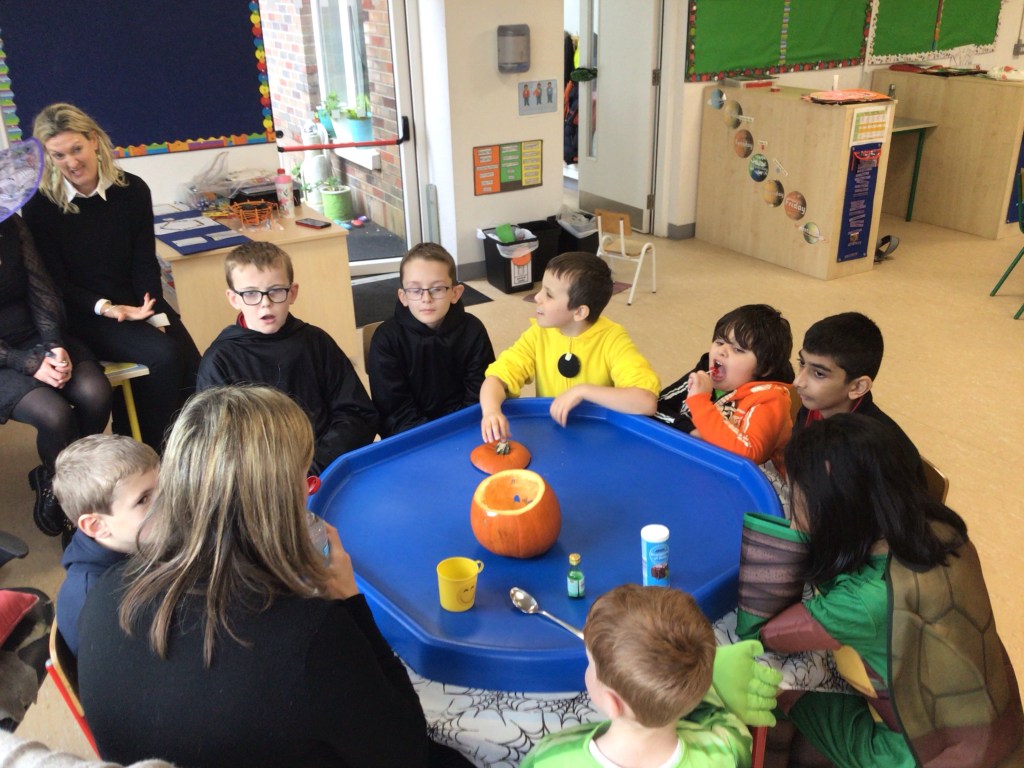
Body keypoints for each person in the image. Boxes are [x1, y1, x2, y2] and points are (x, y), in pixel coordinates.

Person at [77, 386, 471, 767]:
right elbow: (406, 752)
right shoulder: (312, 635)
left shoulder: (104, 593)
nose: (308, 487)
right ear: (278, 499)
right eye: (303, 475)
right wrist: (350, 603)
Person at [742, 415, 1023, 768]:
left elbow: (766, 634)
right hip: (997, 732)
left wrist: (787, 538)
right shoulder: (945, 532)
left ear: (833, 506)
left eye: (796, 490)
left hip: (919, 756)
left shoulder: (861, 601)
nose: (790, 493)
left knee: (774, 676)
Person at [22, 103, 201, 452]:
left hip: (135, 301)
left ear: (94, 140)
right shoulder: (40, 206)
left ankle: (182, 448)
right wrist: (107, 308)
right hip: (86, 312)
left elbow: (143, 261)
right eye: (58, 155)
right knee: (164, 357)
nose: (72, 162)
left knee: (196, 369)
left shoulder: (132, 190)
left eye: (76, 149)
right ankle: (152, 452)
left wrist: (151, 313)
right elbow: (55, 284)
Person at [521, 585, 757, 768]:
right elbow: (731, 726)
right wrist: (705, 678)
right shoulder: (725, 751)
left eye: (590, 664)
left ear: (613, 703)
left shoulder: (550, 756)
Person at [196, 242, 377, 473]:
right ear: (233, 298)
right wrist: (282, 478)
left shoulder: (316, 342)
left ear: (292, 293)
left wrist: (315, 468)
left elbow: (357, 414)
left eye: (276, 291)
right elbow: (219, 445)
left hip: (325, 470)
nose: (265, 303)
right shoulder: (220, 360)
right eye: (250, 293)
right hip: (263, 480)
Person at [0, 212, 111, 537]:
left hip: (33, 334)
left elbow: (41, 289)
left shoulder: (10, 223)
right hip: (4, 358)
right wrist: (27, 362)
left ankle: (56, 476)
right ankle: (70, 500)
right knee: (54, 415)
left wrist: (53, 344)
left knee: (95, 393)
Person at [480, 252, 659, 442]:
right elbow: (497, 378)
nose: (537, 297)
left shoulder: (613, 340)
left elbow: (646, 401)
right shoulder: (539, 333)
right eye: (541, 289)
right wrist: (491, 411)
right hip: (552, 435)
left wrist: (583, 391)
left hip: (599, 439)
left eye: (549, 294)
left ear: (579, 312)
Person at [367, 242, 494, 438]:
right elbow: (394, 411)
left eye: (437, 289)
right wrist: (433, 438)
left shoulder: (473, 331)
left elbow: (479, 396)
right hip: (411, 438)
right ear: (403, 296)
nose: (426, 298)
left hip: (465, 430)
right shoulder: (386, 340)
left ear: (455, 293)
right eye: (415, 290)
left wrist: (454, 433)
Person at [654, 304, 793, 478]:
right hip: (697, 466)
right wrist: (693, 432)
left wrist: (699, 402)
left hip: (753, 482)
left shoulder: (771, 398)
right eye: (719, 342)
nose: (722, 351)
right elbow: (656, 406)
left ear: (764, 368)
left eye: (738, 350)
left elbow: (748, 455)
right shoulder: (704, 373)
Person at [52, 434, 159, 656]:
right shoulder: (97, 605)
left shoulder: (138, 538)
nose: (167, 502)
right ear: (96, 525)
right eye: (143, 499)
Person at [792, 311, 924, 480]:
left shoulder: (877, 454)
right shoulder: (812, 408)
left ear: (858, 387)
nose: (798, 381)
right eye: (802, 363)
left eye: (819, 373)